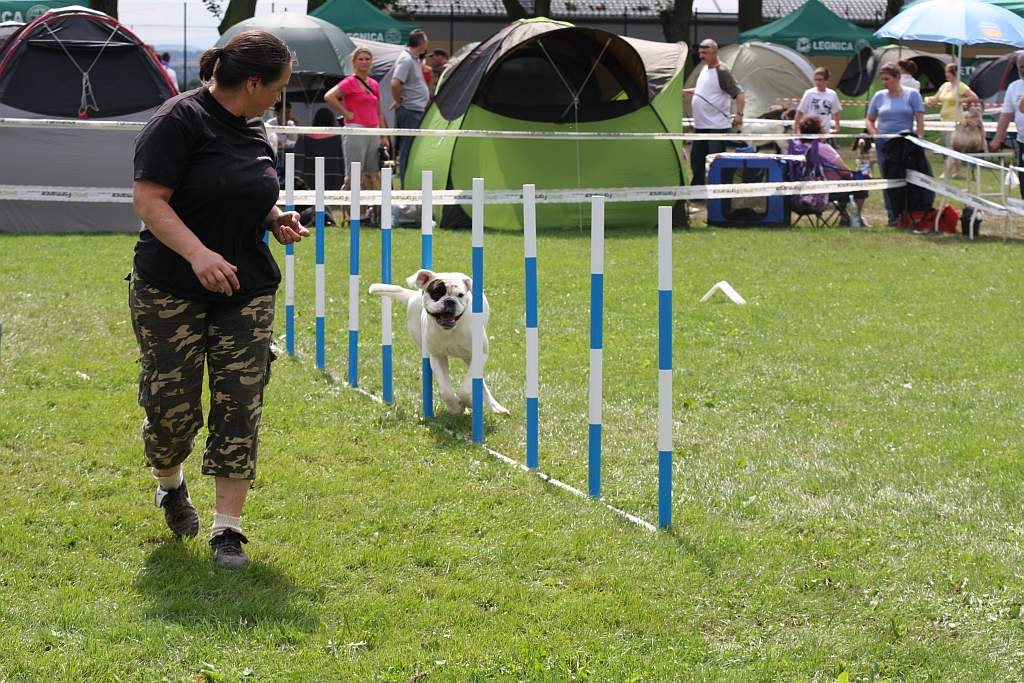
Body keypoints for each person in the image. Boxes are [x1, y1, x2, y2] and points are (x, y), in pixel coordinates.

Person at [130, 30, 309, 569]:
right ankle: (170, 483)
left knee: (241, 402)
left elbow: (246, 192)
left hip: (246, 288)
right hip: (171, 287)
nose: (278, 99)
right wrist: (199, 255)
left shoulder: (254, 130)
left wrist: (274, 218)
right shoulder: (176, 121)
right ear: (252, 81)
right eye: (277, 88)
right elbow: (149, 201)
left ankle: (227, 531)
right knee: (172, 412)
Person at [324, 46, 388, 220]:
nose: (364, 61)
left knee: (371, 172)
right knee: (354, 172)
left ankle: (366, 212)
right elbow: (329, 96)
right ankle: (350, 213)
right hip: (356, 128)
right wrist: (346, 112)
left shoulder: (374, 84)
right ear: (354, 62)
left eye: (368, 58)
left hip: (373, 129)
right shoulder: (349, 82)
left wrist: (383, 135)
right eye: (361, 59)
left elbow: (379, 110)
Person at [865, 62, 925, 225]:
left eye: (888, 79)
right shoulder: (879, 96)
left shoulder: (912, 95)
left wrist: (919, 137)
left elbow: (919, 117)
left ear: (898, 78)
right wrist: (875, 135)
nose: (885, 82)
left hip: (905, 144)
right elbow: (869, 120)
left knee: (908, 177)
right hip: (884, 145)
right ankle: (892, 215)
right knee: (888, 178)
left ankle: (909, 213)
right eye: (882, 79)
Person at [683, 39, 745, 188]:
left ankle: (719, 191)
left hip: (717, 126)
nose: (701, 56)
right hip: (701, 125)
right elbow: (703, 90)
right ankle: (697, 190)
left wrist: (739, 114)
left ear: (714, 52)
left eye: (705, 53)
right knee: (696, 159)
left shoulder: (722, 71)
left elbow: (739, 93)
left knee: (716, 162)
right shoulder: (704, 69)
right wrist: (684, 92)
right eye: (700, 53)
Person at [795, 116, 869, 225]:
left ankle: (846, 217)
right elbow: (845, 172)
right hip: (826, 191)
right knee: (861, 185)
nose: (825, 130)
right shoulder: (824, 148)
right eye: (823, 128)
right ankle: (852, 219)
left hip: (799, 192)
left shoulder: (796, 147)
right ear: (819, 131)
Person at [391, 29, 431, 187]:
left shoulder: (413, 59)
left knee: (412, 149)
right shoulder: (407, 59)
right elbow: (395, 83)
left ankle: (410, 184)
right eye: (426, 41)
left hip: (414, 109)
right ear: (422, 43)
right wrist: (399, 100)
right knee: (409, 150)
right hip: (411, 111)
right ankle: (406, 186)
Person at [925, 63, 978, 179]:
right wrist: (928, 99)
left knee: (952, 148)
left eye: (948, 72)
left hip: (956, 121)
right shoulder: (944, 86)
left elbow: (974, 97)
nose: (946, 75)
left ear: (954, 73)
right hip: (944, 120)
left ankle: (946, 172)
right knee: (951, 146)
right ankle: (958, 172)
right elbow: (936, 98)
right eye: (945, 72)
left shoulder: (961, 86)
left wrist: (961, 100)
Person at [989, 53, 1024, 197]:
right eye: (1022, 67)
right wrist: (997, 140)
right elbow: (1005, 116)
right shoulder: (1014, 87)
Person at [794, 67, 841, 137]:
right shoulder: (809, 93)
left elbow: (836, 112)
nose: (817, 82)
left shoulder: (832, 94)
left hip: (825, 131)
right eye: (816, 80)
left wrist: (837, 128)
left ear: (827, 80)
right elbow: (800, 112)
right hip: (810, 131)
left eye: (820, 80)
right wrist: (796, 129)